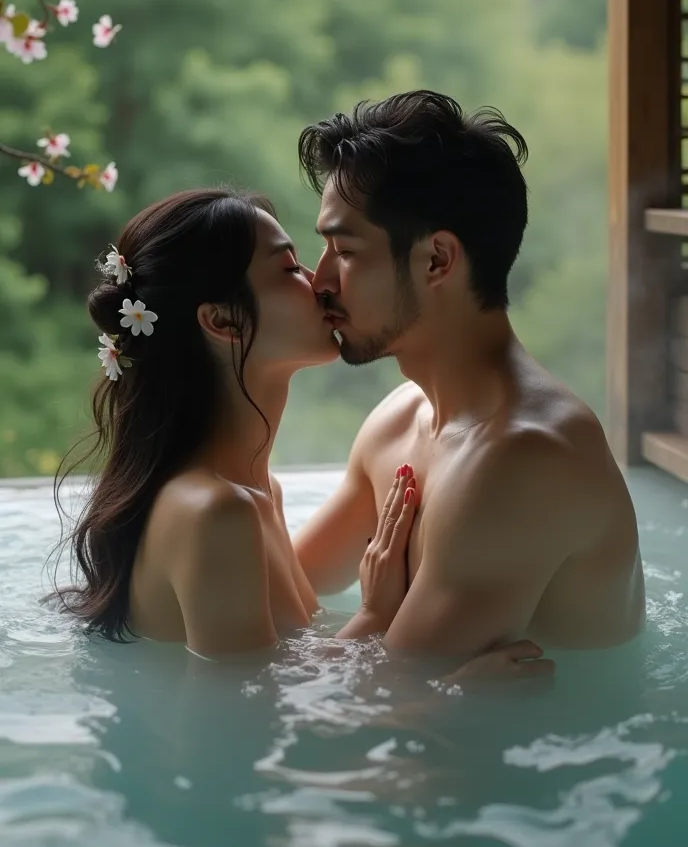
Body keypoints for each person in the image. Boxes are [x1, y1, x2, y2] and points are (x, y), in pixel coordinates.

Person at [51, 186, 550, 679]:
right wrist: (440, 679)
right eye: (289, 268)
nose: (320, 282)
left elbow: (281, 674)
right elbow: (249, 736)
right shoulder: (215, 514)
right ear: (224, 320)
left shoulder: (254, 493)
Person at [293, 89, 646, 657]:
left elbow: (365, 712)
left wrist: (375, 616)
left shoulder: (527, 460)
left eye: (347, 251)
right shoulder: (399, 418)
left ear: (437, 260)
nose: (321, 281)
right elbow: (282, 595)